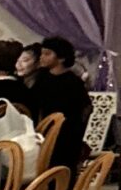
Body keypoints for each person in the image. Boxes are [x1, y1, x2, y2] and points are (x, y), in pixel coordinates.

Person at [26, 34, 92, 172]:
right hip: (44, 131)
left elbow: (85, 108)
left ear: (61, 58)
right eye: (42, 54)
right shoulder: (42, 79)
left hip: (67, 134)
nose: (42, 57)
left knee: (62, 169)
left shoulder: (73, 82)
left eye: (47, 54)